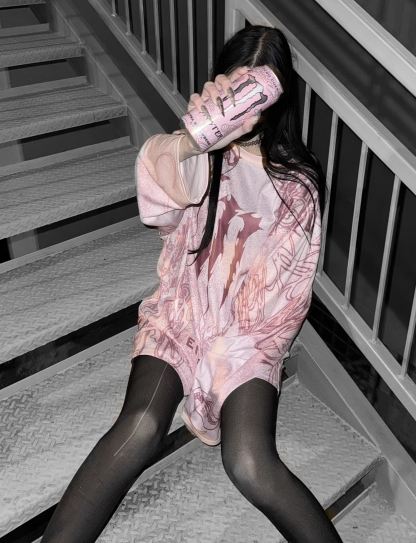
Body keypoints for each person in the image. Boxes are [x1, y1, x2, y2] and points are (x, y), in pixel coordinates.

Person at [41, 24, 342, 543]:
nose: (244, 110)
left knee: (250, 463)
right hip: (181, 312)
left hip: (248, 336)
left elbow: (287, 295)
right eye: (234, 90)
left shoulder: (298, 184)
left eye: (255, 95)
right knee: (140, 426)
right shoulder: (203, 153)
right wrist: (193, 142)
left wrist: (226, 355)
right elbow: (158, 198)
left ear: (277, 99)